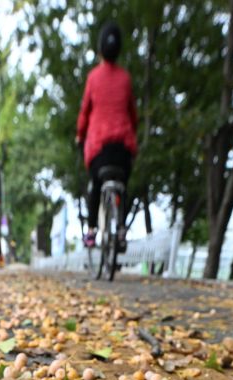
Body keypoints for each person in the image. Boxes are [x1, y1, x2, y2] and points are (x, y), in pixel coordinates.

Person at [76, 22, 138, 251]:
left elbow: (85, 113)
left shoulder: (93, 78)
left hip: (98, 147)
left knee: (95, 185)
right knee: (123, 183)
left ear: (100, 49)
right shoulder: (125, 78)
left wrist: (80, 136)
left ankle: (91, 231)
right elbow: (133, 115)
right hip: (122, 146)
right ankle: (121, 230)